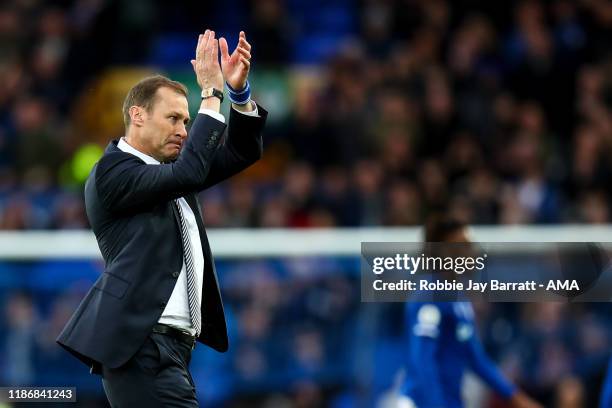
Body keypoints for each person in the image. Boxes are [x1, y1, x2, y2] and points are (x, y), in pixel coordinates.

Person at [56, 29, 267, 407]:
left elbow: (241, 153)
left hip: (173, 349)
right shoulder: (111, 172)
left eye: (186, 122)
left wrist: (237, 93)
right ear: (137, 115)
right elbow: (188, 172)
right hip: (141, 346)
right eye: (173, 118)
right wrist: (210, 94)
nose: (183, 131)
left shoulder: (173, 173)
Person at [398, 215, 542, 408]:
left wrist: (516, 398)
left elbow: (475, 358)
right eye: (463, 246)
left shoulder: (459, 300)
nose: (471, 253)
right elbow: (423, 361)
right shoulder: (429, 297)